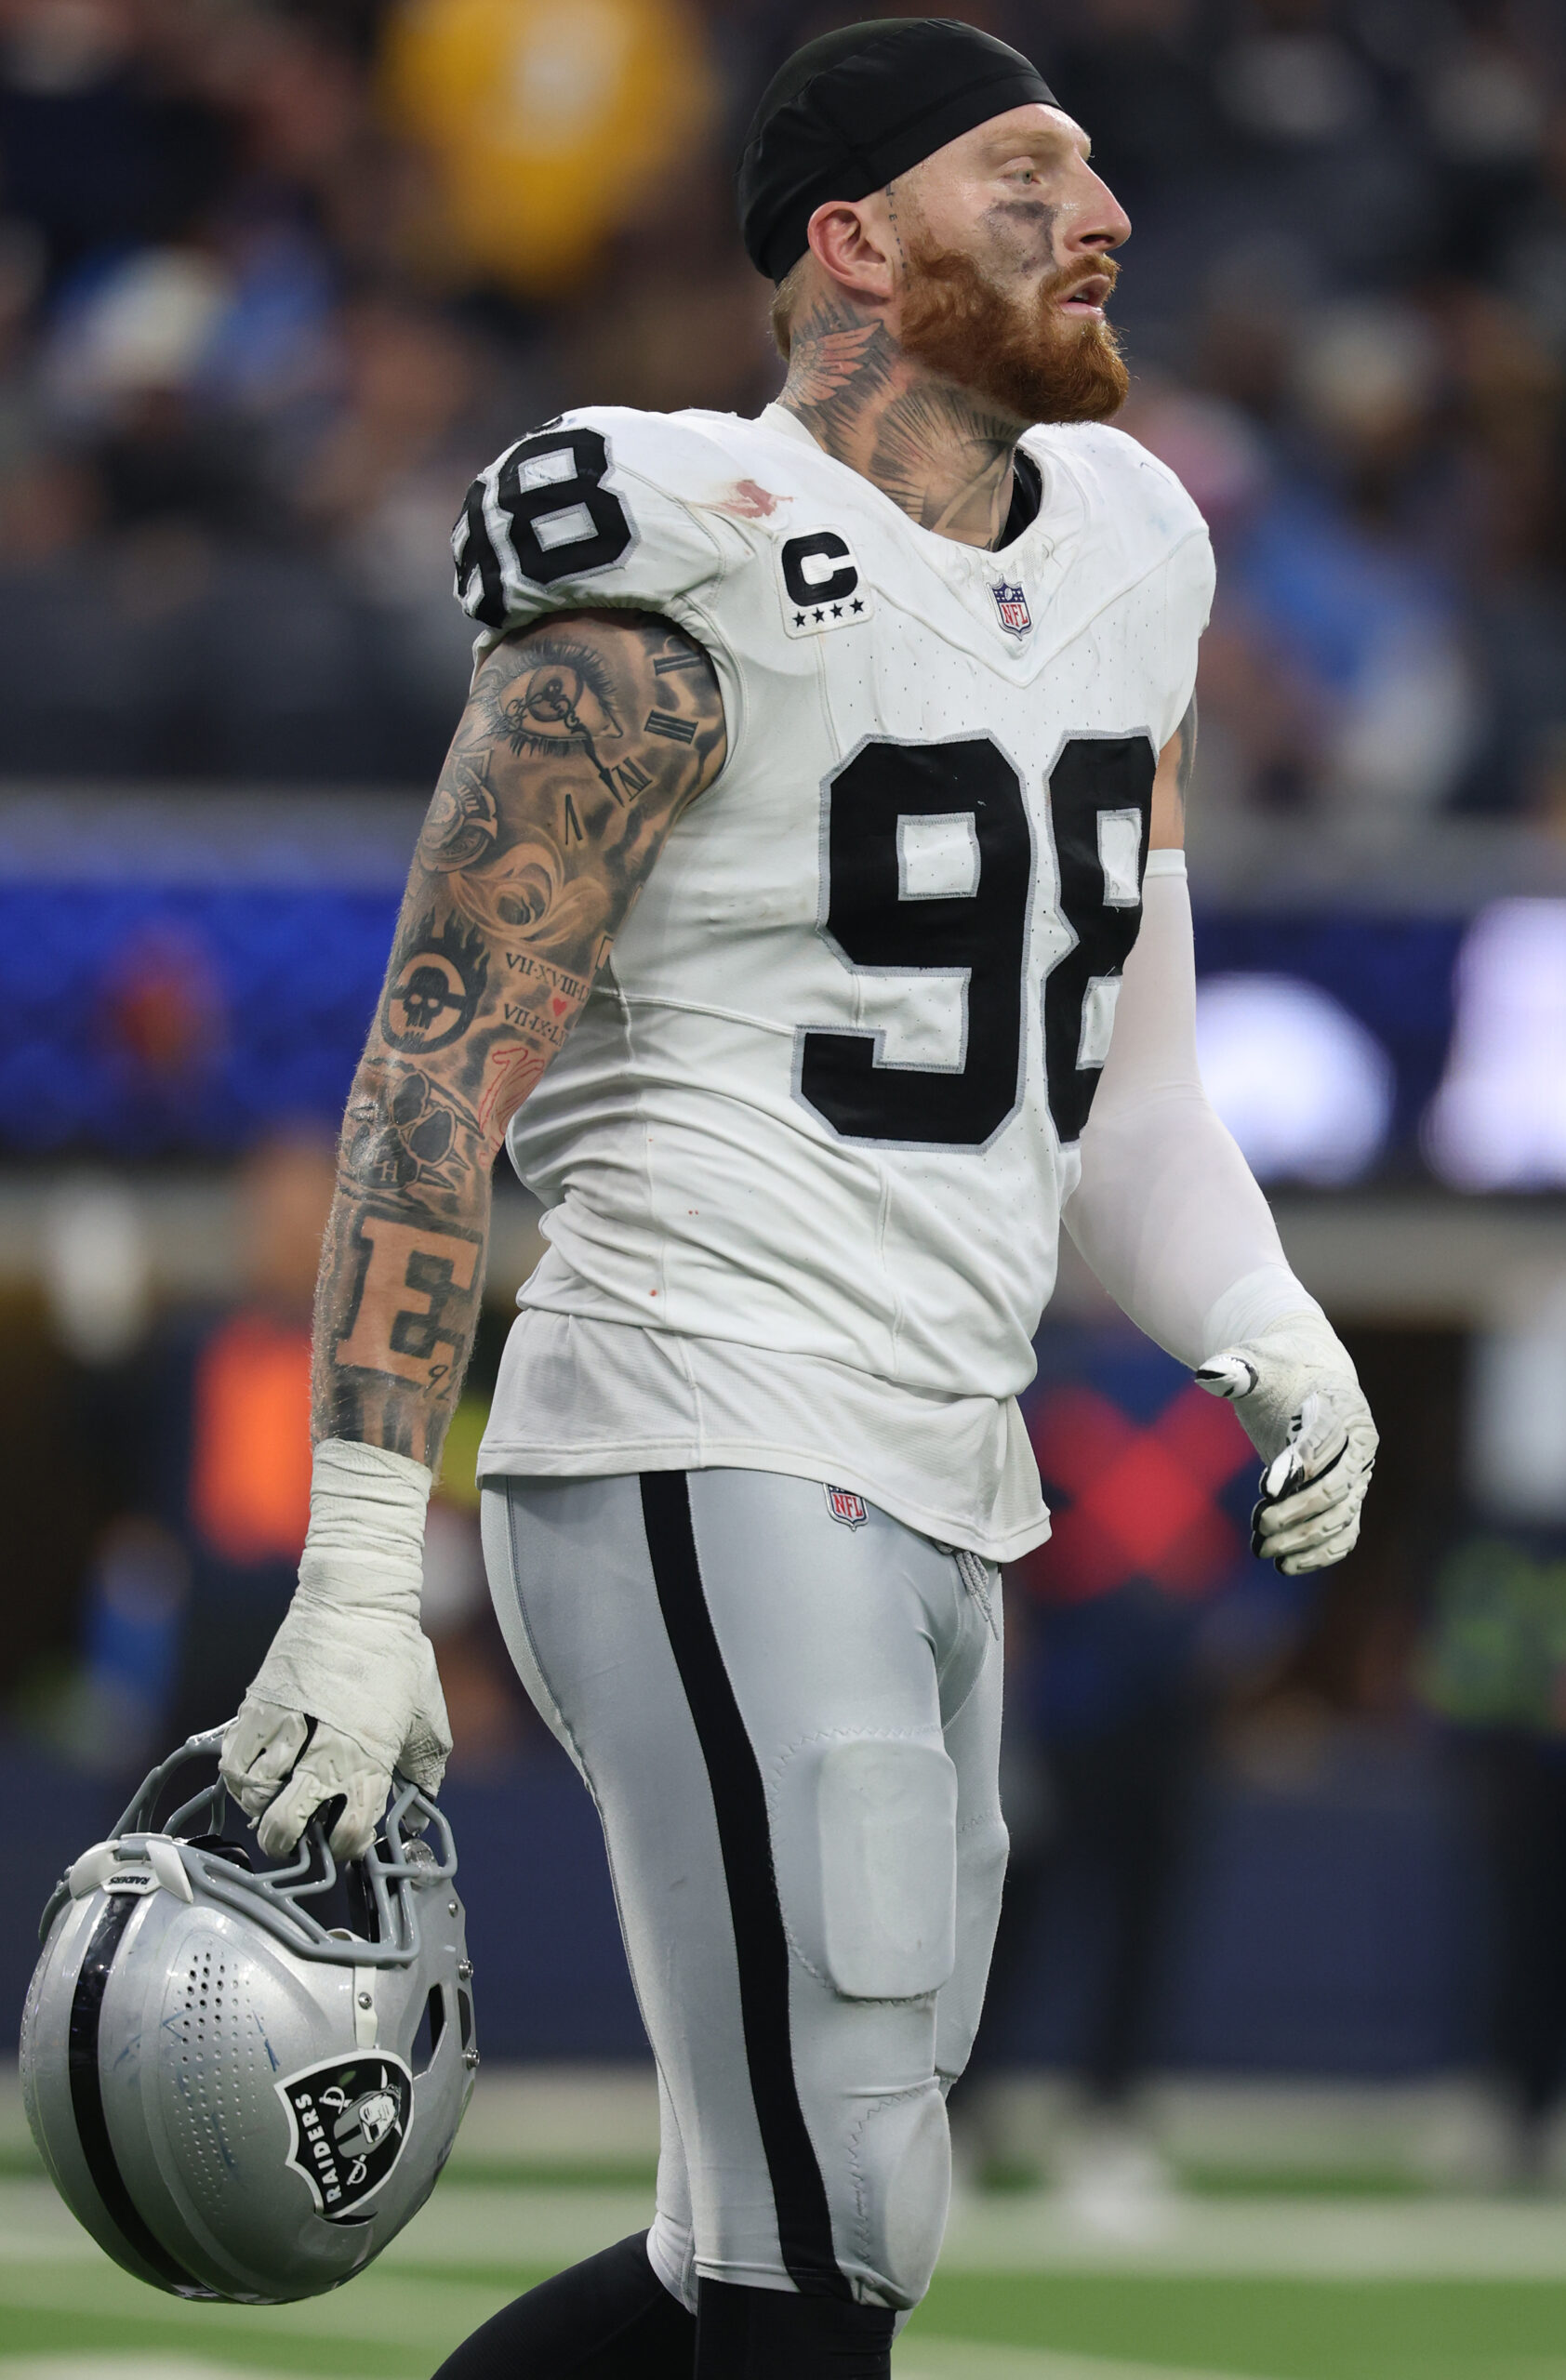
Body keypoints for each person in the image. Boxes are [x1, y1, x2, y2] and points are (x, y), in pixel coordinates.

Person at [219, 21, 1378, 2376]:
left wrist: (1259, 1311)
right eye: (1019, 172)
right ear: (851, 239)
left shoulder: (1132, 549)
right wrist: (353, 1565)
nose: (1098, 213)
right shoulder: (673, 543)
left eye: (1092, 167)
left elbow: (1123, 1091)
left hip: (942, 1445)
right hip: (698, 1404)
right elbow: (431, 1079)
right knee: (828, 2204)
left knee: (782, 2241)